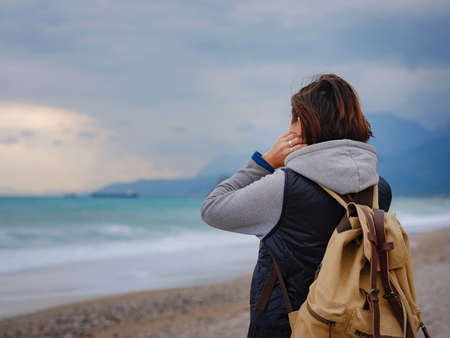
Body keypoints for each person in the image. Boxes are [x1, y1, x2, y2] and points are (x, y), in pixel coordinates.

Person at [200, 74, 392, 337]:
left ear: (300, 125)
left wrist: (265, 161)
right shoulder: (379, 189)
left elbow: (212, 208)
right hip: (355, 322)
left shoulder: (284, 187)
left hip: (287, 325)